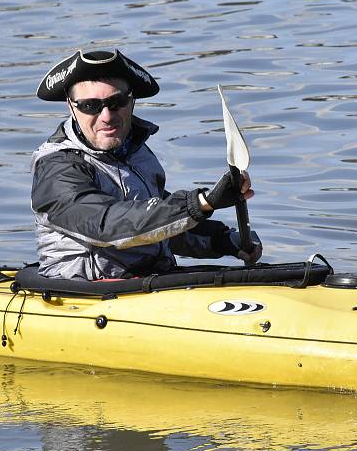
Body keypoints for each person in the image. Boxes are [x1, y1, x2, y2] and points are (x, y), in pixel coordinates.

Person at [30, 49, 262, 280]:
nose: (107, 116)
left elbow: (156, 227)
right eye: (91, 106)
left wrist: (223, 240)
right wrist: (200, 203)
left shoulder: (136, 152)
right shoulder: (57, 168)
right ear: (71, 106)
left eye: (116, 101)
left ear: (132, 101)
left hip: (148, 283)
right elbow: (106, 225)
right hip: (81, 297)